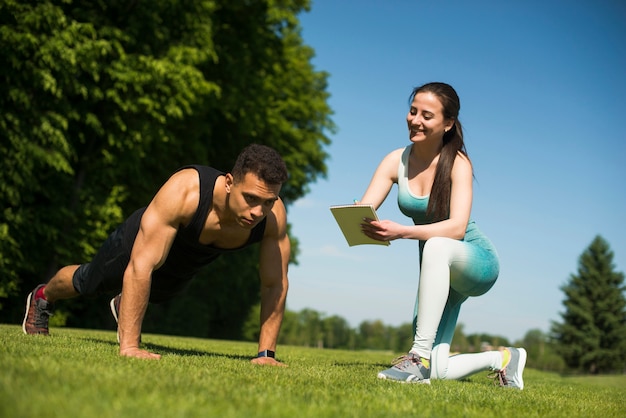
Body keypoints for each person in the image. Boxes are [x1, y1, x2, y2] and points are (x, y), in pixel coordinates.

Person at [23, 144, 290, 366]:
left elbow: (274, 284)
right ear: (230, 183)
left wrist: (266, 354)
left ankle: (123, 303)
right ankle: (43, 296)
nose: (258, 211)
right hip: (140, 242)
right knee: (90, 280)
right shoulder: (186, 191)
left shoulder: (273, 218)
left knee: (161, 295)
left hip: (186, 261)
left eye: (268, 201)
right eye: (251, 198)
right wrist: (130, 346)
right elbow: (141, 266)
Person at [357, 82, 526, 388]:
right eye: (412, 111)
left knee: (435, 245)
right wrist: (358, 217)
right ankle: (502, 359)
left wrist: (402, 231)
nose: (415, 120)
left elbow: (457, 228)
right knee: (441, 368)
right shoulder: (396, 160)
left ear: (447, 124)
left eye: (426, 115)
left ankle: (416, 360)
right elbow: (365, 207)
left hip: (474, 260)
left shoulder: (458, 163)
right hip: (437, 270)